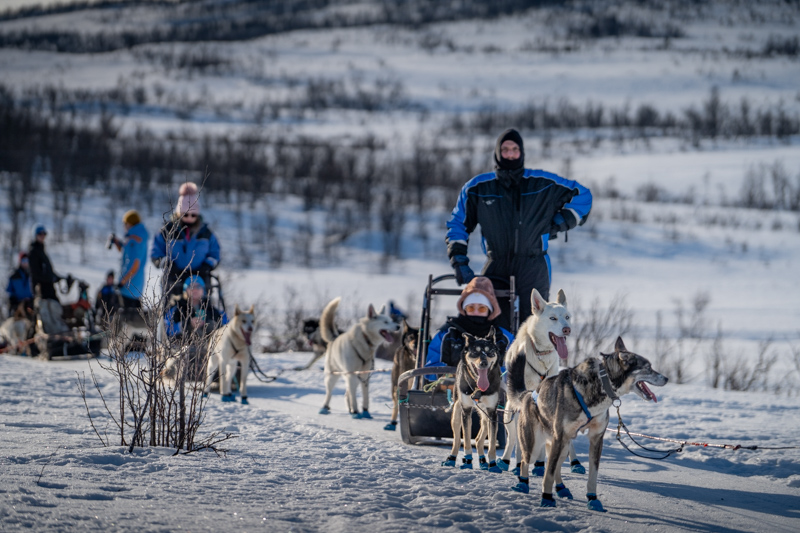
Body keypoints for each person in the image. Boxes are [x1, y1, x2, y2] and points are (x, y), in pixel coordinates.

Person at [446, 128, 592, 330]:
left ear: (521, 152)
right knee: (489, 322)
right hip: (496, 265)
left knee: (533, 325)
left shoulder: (541, 183)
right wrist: (459, 262)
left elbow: (583, 196)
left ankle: (529, 362)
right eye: (505, 149)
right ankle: (492, 361)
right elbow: (457, 224)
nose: (510, 154)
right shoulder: (478, 188)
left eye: (515, 149)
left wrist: (557, 223)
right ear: (497, 153)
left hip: (533, 266)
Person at [424, 277, 514, 381]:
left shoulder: (503, 337)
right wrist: (450, 375)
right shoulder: (448, 334)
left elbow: (513, 370)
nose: (476, 312)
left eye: (482, 308)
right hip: (449, 391)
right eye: (470, 307)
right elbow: (431, 369)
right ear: (464, 309)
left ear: (489, 310)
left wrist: (492, 375)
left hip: (495, 393)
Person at [151, 182, 220, 296]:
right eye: (185, 214)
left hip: (200, 279)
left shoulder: (205, 233)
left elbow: (215, 254)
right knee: (173, 310)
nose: (189, 218)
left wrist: (207, 265)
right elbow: (156, 252)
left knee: (201, 309)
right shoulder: (168, 231)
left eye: (193, 215)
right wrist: (166, 263)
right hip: (174, 278)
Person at [109, 209, 149, 308]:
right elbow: (126, 251)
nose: (124, 226)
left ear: (129, 224)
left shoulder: (135, 240)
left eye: (125, 223)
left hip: (130, 286)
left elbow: (135, 263)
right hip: (133, 285)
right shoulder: (136, 237)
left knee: (127, 317)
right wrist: (117, 242)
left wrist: (123, 281)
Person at [27, 224, 60, 301]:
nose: (42, 236)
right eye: (39, 234)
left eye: (44, 234)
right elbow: (35, 273)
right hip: (41, 292)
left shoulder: (41, 251)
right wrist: (51, 278)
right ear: (35, 235)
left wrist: (58, 277)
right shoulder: (33, 252)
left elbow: (47, 270)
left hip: (48, 290)